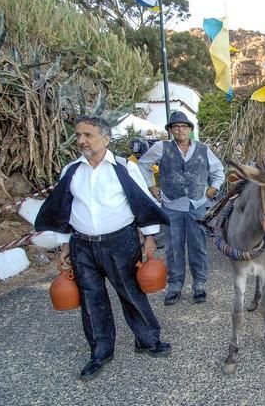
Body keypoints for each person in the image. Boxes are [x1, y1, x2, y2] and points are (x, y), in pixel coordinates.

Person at [35, 116, 171, 382]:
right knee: (91, 299)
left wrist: (150, 238)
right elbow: (65, 208)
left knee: (131, 292)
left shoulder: (123, 168)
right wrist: (64, 244)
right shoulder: (71, 170)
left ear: (105, 139)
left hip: (120, 242)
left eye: (88, 135)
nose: (82, 141)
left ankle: (147, 340)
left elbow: (141, 202)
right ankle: (100, 351)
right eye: (78, 135)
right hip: (82, 245)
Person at [138, 111, 225, 306]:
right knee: (173, 247)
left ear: (190, 130)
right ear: (170, 130)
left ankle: (199, 285)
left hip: (197, 204)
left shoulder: (203, 149)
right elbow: (143, 165)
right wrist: (151, 186)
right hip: (171, 205)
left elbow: (219, 170)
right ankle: (175, 285)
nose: (180, 129)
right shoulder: (162, 147)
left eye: (184, 126)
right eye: (176, 126)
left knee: (198, 246)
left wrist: (214, 187)